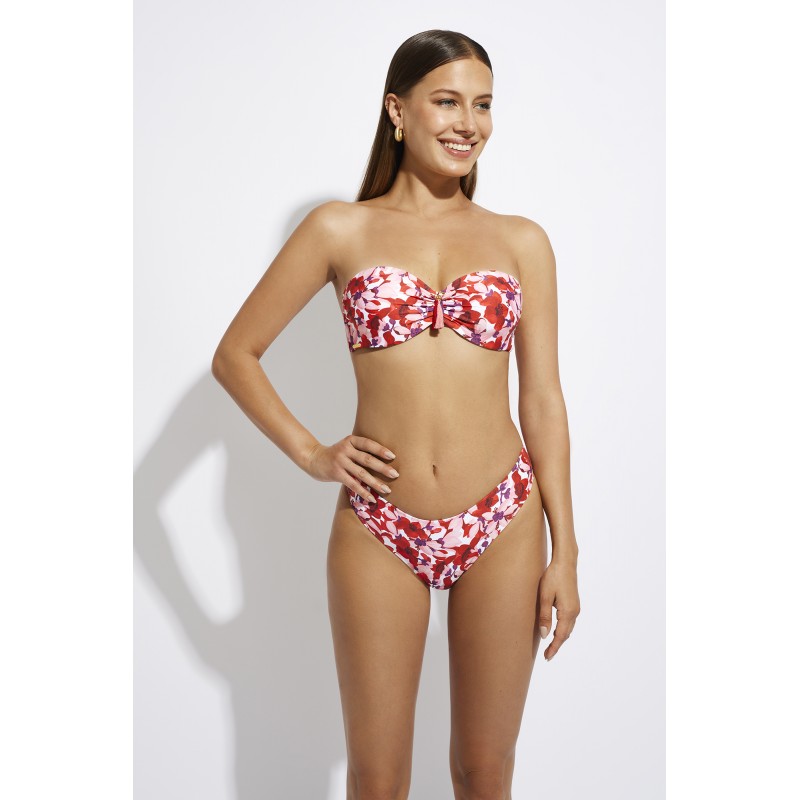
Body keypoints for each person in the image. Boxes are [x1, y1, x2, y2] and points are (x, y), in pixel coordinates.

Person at [212, 28, 580, 800]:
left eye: (483, 105)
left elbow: (543, 400)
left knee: (486, 772)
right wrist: (313, 453)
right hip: (380, 524)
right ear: (397, 111)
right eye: (447, 101)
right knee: (377, 780)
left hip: (504, 521)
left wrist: (567, 550)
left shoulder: (522, 242)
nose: (468, 123)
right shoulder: (338, 228)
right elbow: (236, 354)